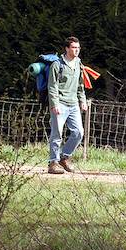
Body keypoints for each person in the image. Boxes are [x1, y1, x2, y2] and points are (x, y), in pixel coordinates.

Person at [47, 36, 87, 174]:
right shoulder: (57, 65)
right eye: (74, 47)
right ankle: (53, 162)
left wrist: (82, 100)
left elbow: (80, 85)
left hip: (73, 104)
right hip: (60, 103)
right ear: (67, 48)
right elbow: (52, 86)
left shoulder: (78, 64)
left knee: (78, 132)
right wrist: (54, 104)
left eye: (78, 48)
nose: (77, 50)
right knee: (56, 134)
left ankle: (64, 157)